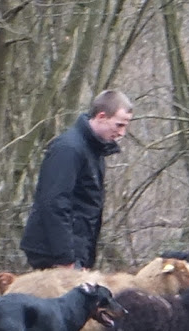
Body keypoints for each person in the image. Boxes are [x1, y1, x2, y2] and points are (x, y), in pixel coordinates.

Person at [20, 90, 133, 270]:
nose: (122, 133)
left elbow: (86, 207)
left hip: (75, 251)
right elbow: (53, 202)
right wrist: (66, 258)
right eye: (119, 125)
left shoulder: (94, 151)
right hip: (55, 254)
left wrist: (85, 257)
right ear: (102, 116)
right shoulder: (68, 149)